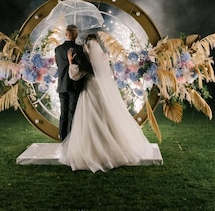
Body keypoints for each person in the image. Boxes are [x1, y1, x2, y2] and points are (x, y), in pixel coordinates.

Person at [59, 33, 155, 172]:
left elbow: (75, 76)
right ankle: (110, 147)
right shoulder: (103, 57)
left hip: (89, 89)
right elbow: (108, 76)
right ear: (98, 44)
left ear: (86, 45)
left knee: (89, 118)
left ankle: (91, 150)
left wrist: (71, 62)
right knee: (105, 116)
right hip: (101, 89)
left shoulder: (85, 58)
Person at [55, 24, 93, 141]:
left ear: (66, 34)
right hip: (74, 86)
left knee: (63, 114)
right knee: (72, 113)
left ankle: (63, 139)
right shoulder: (78, 49)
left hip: (62, 85)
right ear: (76, 34)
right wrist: (95, 70)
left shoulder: (58, 49)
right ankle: (70, 141)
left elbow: (59, 66)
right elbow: (85, 66)